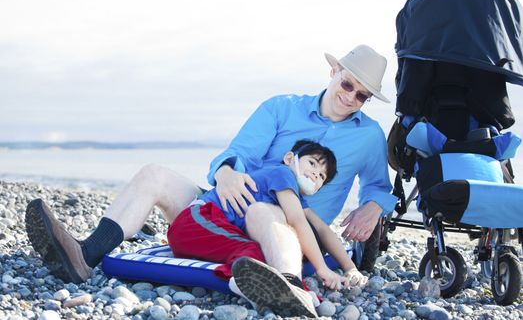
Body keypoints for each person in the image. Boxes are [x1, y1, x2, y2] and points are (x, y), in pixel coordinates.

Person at [25, 44, 396, 294]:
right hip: (222, 206)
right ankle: (85, 256)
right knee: (154, 174)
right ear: (333, 71)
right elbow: (236, 153)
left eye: (362, 95)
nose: (350, 98)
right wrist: (227, 172)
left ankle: (286, 285)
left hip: (281, 221)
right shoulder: (281, 107)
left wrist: (374, 205)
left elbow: (380, 187)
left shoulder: (369, 137)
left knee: (265, 212)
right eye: (347, 84)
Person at [167, 139, 367, 317]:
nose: (315, 173)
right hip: (197, 221)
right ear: (290, 158)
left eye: (322, 176)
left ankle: (268, 293)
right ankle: (292, 288)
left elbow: (322, 229)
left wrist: (351, 268)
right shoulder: (281, 173)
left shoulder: (295, 198)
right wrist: (322, 269)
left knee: (262, 258)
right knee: (252, 254)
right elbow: (298, 222)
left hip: (211, 231)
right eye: (312, 163)